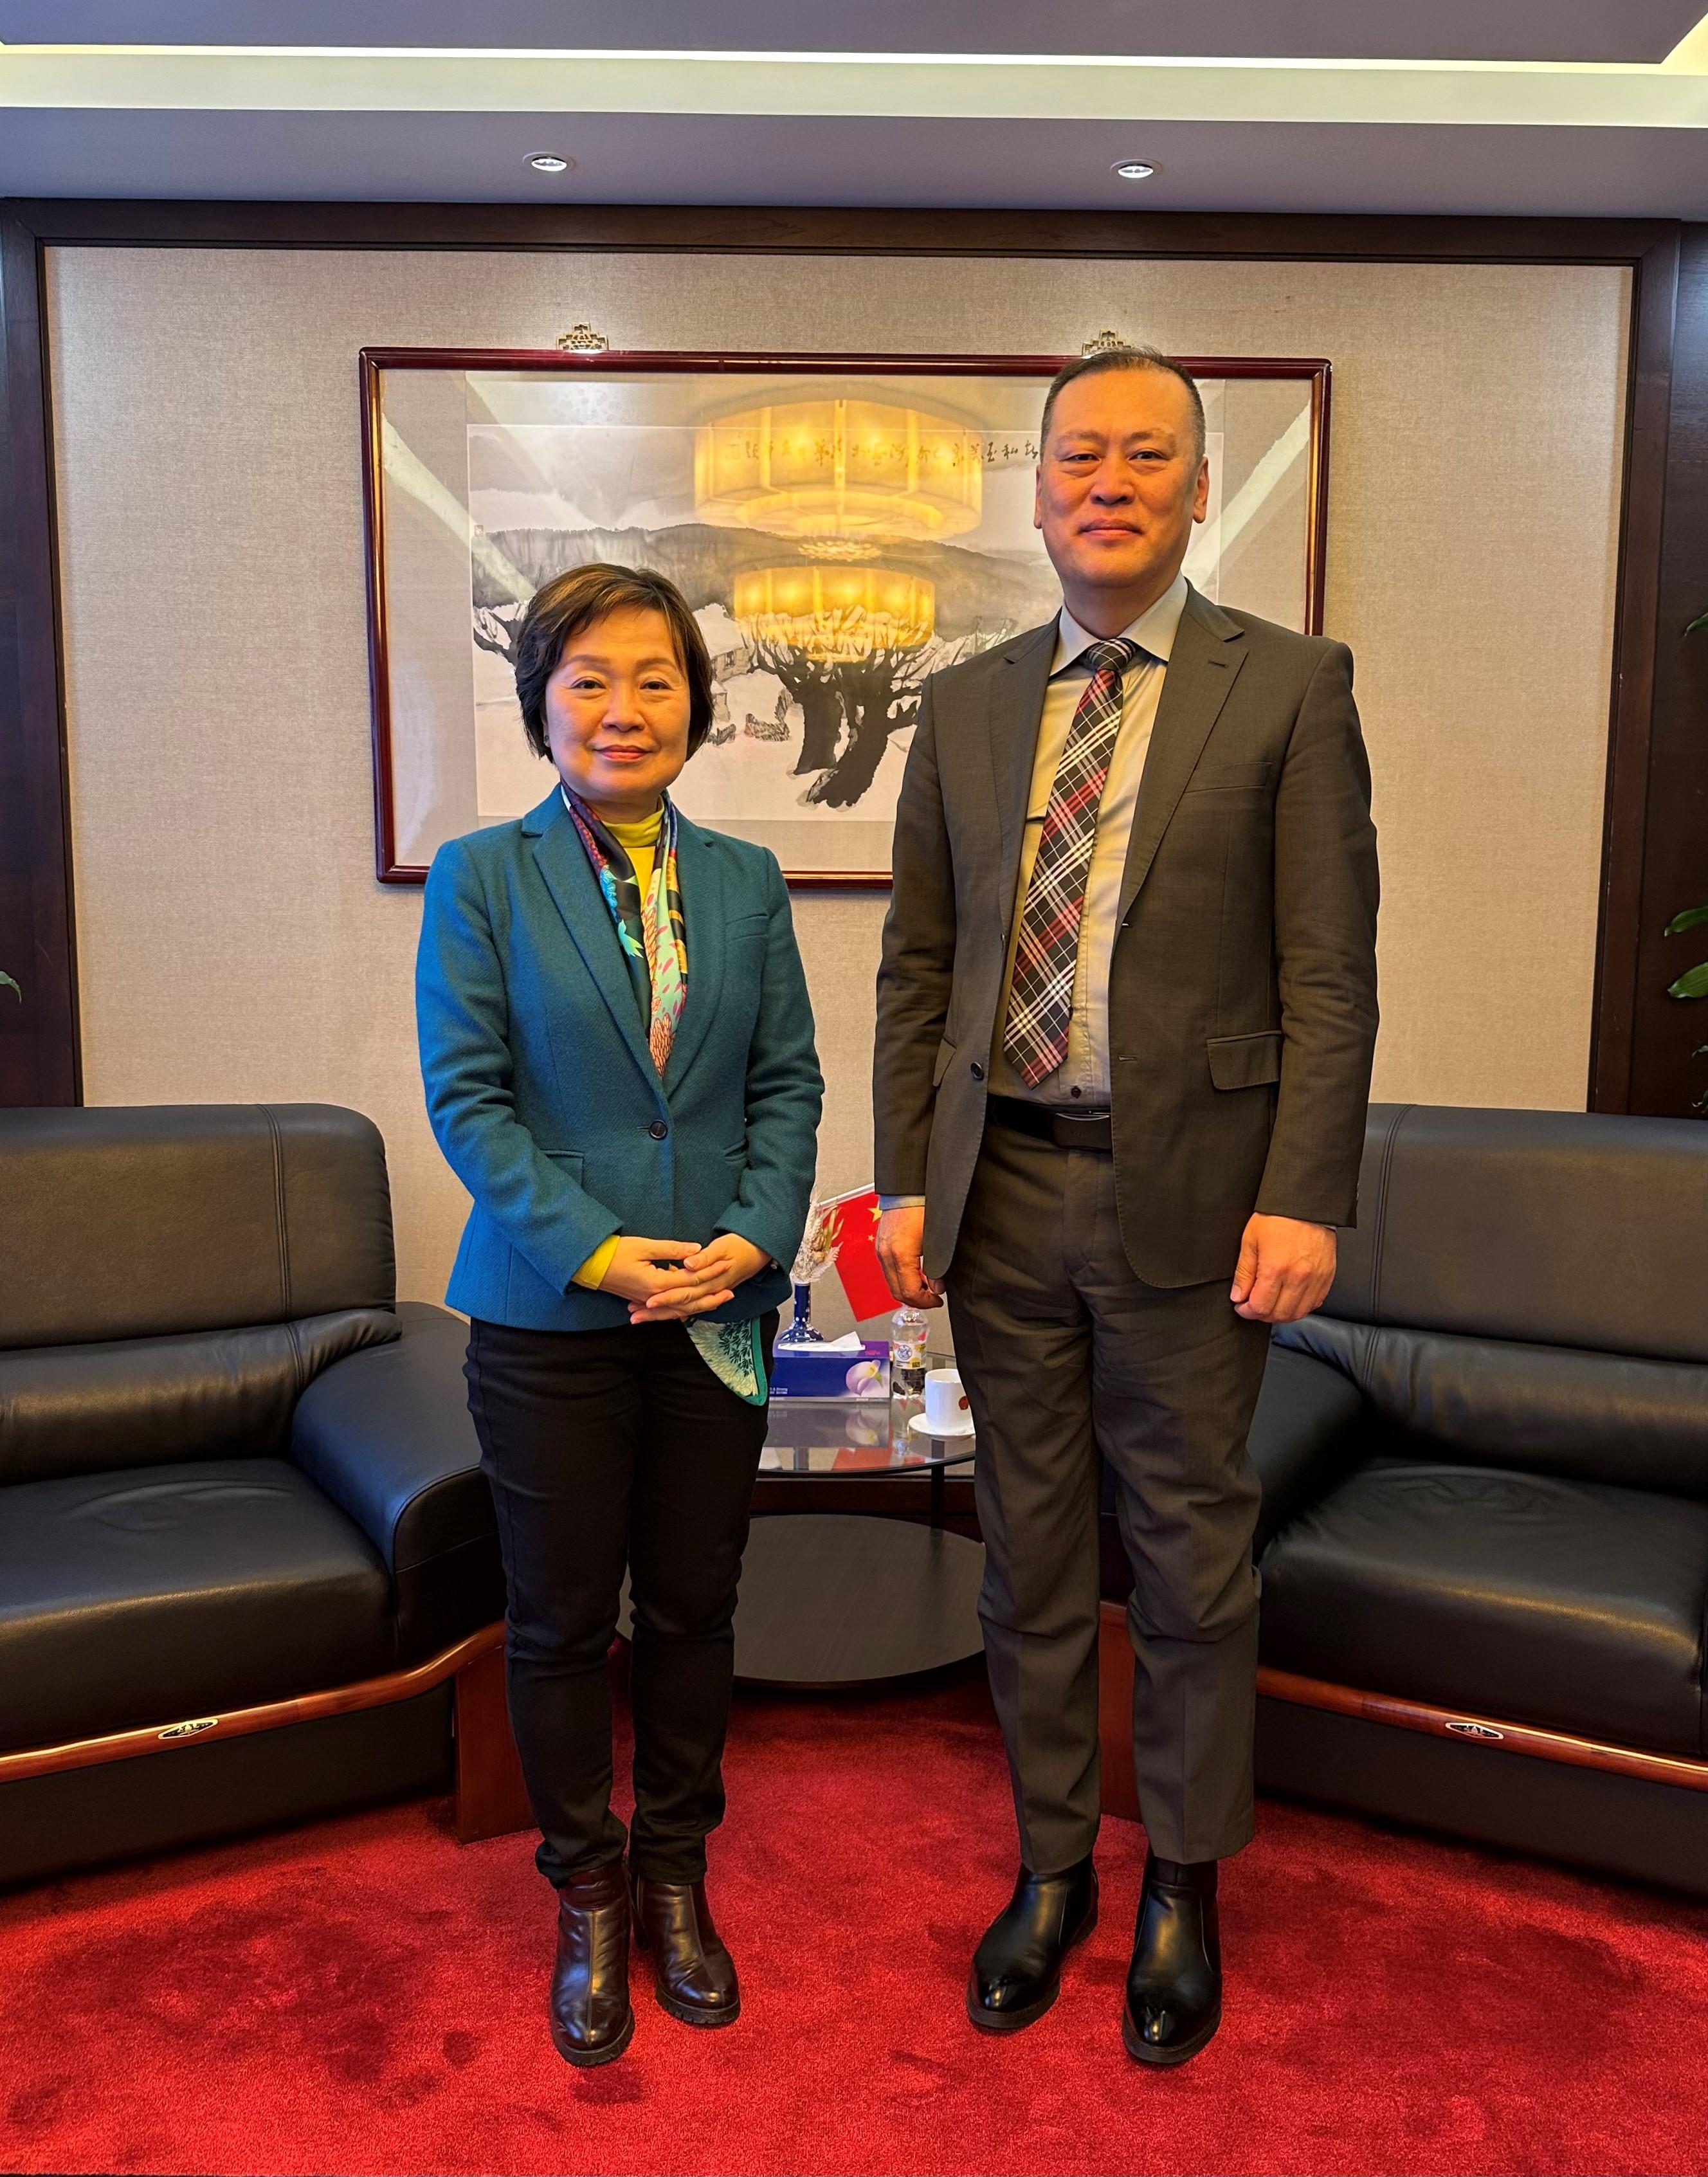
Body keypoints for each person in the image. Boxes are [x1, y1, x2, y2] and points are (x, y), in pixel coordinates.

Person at [873, 347, 1378, 2066]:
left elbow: (1329, 973)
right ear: (1037, 488)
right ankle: (1049, 1867)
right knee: (1027, 1558)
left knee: (1188, 1563)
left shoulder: (1293, 686)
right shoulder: (963, 702)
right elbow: (919, 967)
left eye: (1145, 454)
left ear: (1194, 483)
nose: (1108, 480)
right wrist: (900, 1187)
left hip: (1195, 1200)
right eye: (1079, 453)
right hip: (998, 1183)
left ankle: (1182, 1879)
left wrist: (1308, 1188)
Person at [417, 563, 822, 2068]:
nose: (623, 707)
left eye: (654, 678)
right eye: (588, 677)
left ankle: (674, 1874)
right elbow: (470, 1104)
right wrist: (602, 1254)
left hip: (718, 1305)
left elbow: (786, 1083)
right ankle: (585, 1889)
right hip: (547, 1314)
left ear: (696, 706)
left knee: (699, 1604)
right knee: (560, 1615)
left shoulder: (744, 880)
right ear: (540, 701)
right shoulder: (483, 876)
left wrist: (751, 1235)